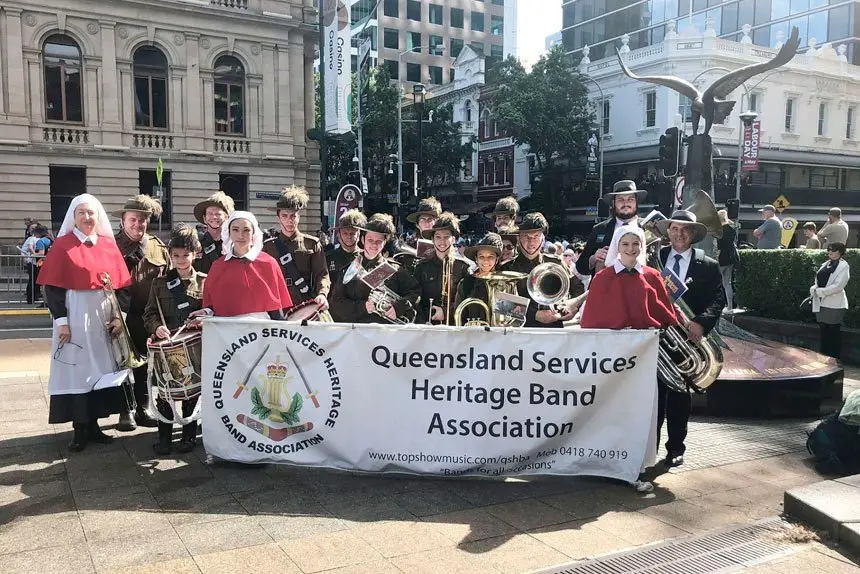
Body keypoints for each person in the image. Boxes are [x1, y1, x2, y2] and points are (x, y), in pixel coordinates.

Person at [37, 194, 133, 452]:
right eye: (82, 213)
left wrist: (118, 317)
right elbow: (53, 288)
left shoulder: (108, 245)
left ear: (98, 216)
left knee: (100, 369)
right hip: (75, 315)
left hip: (103, 316)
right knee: (77, 369)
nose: (87, 217)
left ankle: (95, 424)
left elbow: (123, 287)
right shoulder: (62, 245)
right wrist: (62, 322)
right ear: (74, 217)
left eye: (91, 213)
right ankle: (79, 428)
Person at [655, 209, 725, 467]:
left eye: (685, 229)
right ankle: (648, 447)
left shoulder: (707, 264)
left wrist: (701, 323)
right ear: (668, 231)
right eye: (674, 228)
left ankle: (675, 449)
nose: (679, 233)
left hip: (686, 342)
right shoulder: (656, 258)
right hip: (657, 338)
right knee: (652, 398)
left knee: (678, 398)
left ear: (693, 233)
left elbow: (719, 300)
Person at [142, 225, 206, 455]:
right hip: (167, 347)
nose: (180, 260)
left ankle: (189, 436)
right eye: (175, 255)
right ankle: (164, 439)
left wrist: (202, 320)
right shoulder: (159, 283)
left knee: (192, 392)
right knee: (166, 393)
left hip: (195, 347)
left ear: (195, 254)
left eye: (185, 255)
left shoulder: (205, 282)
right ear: (170, 254)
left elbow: (212, 313)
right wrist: (157, 327)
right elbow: (148, 313)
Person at [113, 195, 170, 431]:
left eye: (142, 220)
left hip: (146, 316)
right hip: (119, 315)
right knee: (120, 363)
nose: (138, 225)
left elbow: (167, 278)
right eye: (133, 219)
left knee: (146, 364)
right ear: (123, 222)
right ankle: (125, 411)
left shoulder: (157, 246)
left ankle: (143, 407)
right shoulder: (110, 246)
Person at [193, 211, 293, 320]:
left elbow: (276, 308)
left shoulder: (268, 263)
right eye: (235, 230)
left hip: (261, 332)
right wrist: (205, 312)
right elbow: (214, 305)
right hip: (227, 332)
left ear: (253, 233)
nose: (241, 235)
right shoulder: (218, 266)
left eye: (246, 230)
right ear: (229, 232)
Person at [329, 214, 421, 324]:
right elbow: (336, 303)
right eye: (370, 240)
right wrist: (363, 307)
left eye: (379, 241)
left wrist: (399, 307)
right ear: (362, 240)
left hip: (386, 333)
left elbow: (416, 293)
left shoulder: (395, 269)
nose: (374, 245)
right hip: (357, 333)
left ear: (384, 243)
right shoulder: (349, 269)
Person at [262, 186, 331, 315]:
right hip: (278, 306)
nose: (289, 220)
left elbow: (322, 274)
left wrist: (322, 294)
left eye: (293, 216)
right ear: (278, 218)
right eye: (285, 216)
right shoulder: (268, 247)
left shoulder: (311, 244)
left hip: (304, 303)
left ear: (298, 217)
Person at [501, 213, 572, 328]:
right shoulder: (506, 268)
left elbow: (576, 288)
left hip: (553, 330)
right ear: (518, 239)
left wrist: (569, 307)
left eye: (536, 236)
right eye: (526, 237)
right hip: (519, 330)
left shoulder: (555, 263)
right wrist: (534, 314)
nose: (531, 242)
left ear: (543, 238)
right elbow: (500, 303)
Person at [577, 180, 647, 277]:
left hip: (639, 288)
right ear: (613, 203)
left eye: (630, 199)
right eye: (620, 200)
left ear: (636, 202)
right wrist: (594, 258)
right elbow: (580, 267)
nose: (625, 203)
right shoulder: (599, 229)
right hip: (605, 289)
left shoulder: (648, 228)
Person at [414, 213, 471, 324]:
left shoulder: (463, 267)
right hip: (427, 325)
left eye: (446, 237)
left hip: (454, 325)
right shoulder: (421, 267)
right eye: (438, 237)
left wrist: (445, 312)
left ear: (453, 239)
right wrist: (423, 320)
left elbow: (467, 299)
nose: (442, 241)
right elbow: (415, 298)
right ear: (432, 240)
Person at [453, 233, 504, 325]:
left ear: (497, 260)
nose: (486, 260)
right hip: (472, 335)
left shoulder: (506, 283)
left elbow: (514, 316)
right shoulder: (466, 284)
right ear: (476, 259)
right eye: (481, 257)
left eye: (490, 257)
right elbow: (459, 316)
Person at [810, 242, 850, 359]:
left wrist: (820, 292)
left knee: (833, 331)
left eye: (833, 250)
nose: (830, 252)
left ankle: (834, 359)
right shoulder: (825, 264)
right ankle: (824, 357)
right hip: (821, 302)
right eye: (829, 250)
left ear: (840, 252)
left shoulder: (844, 266)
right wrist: (814, 289)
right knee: (824, 331)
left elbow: (838, 286)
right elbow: (817, 281)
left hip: (835, 304)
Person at [397, 197, 443, 273]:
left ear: (437, 222)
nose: (426, 222)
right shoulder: (410, 245)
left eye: (430, 219)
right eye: (422, 219)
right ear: (417, 224)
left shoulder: (444, 244)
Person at [193, 191, 235, 273]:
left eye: (218, 214)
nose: (214, 217)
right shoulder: (196, 243)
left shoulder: (233, 244)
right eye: (210, 213)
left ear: (227, 217)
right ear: (204, 218)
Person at [327, 209, 367, 278]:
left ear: (359, 235)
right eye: (345, 233)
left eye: (353, 233)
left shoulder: (366, 258)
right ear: (338, 235)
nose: (349, 236)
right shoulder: (327, 258)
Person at [716, 209, 739, 311]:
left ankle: (719, 306)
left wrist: (716, 258)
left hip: (721, 259)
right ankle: (730, 306)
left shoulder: (720, 231)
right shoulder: (732, 229)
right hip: (730, 258)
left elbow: (719, 247)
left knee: (717, 283)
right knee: (727, 283)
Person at [26, 225, 52, 304]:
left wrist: (33, 255)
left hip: (43, 264)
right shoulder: (50, 240)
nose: (34, 235)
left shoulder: (41, 241)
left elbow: (41, 253)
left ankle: (46, 302)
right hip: (51, 263)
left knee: (44, 285)